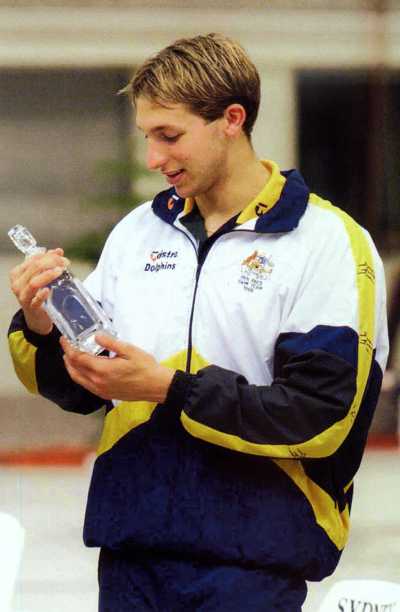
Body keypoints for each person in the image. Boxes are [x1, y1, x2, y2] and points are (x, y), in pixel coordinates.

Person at [8, 33, 388, 611]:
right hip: (131, 555)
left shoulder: (327, 242)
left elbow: (322, 417)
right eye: (147, 137)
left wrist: (168, 388)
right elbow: (83, 390)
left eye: (170, 136)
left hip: (253, 563)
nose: (154, 159)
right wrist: (40, 326)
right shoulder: (139, 232)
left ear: (231, 119)